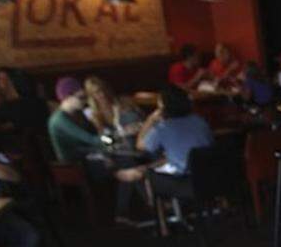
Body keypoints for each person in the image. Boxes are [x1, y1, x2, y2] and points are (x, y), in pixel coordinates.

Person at [47, 76, 146, 225]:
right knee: (126, 162)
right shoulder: (60, 120)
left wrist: (112, 143)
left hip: (87, 155)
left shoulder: (74, 114)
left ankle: (130, 208)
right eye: (81, 97)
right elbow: (92, 140)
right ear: (67, 97)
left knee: (127, 160)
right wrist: (121, 134)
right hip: (74, 165)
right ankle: (135, 206)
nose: (84, 100)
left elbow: (96, 139)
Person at [134, 86, 215, 235]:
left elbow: (140, 146)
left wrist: (150, 120)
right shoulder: (200, 121)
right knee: (160, 164)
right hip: (211, 176)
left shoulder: (162, 128)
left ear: (163, 107)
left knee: (147, 176)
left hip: (186, 182)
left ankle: (163, 224)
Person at [84, 76, 144, 143]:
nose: (102, 94)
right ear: (91, 96)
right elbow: (103, 139)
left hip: (141, 136)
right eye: (97, 92)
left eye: (103, 89)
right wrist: (122, 132)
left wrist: (139, 126)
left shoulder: (124, 101)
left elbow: (143, 120)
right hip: (119, 144)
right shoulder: (92, 113)